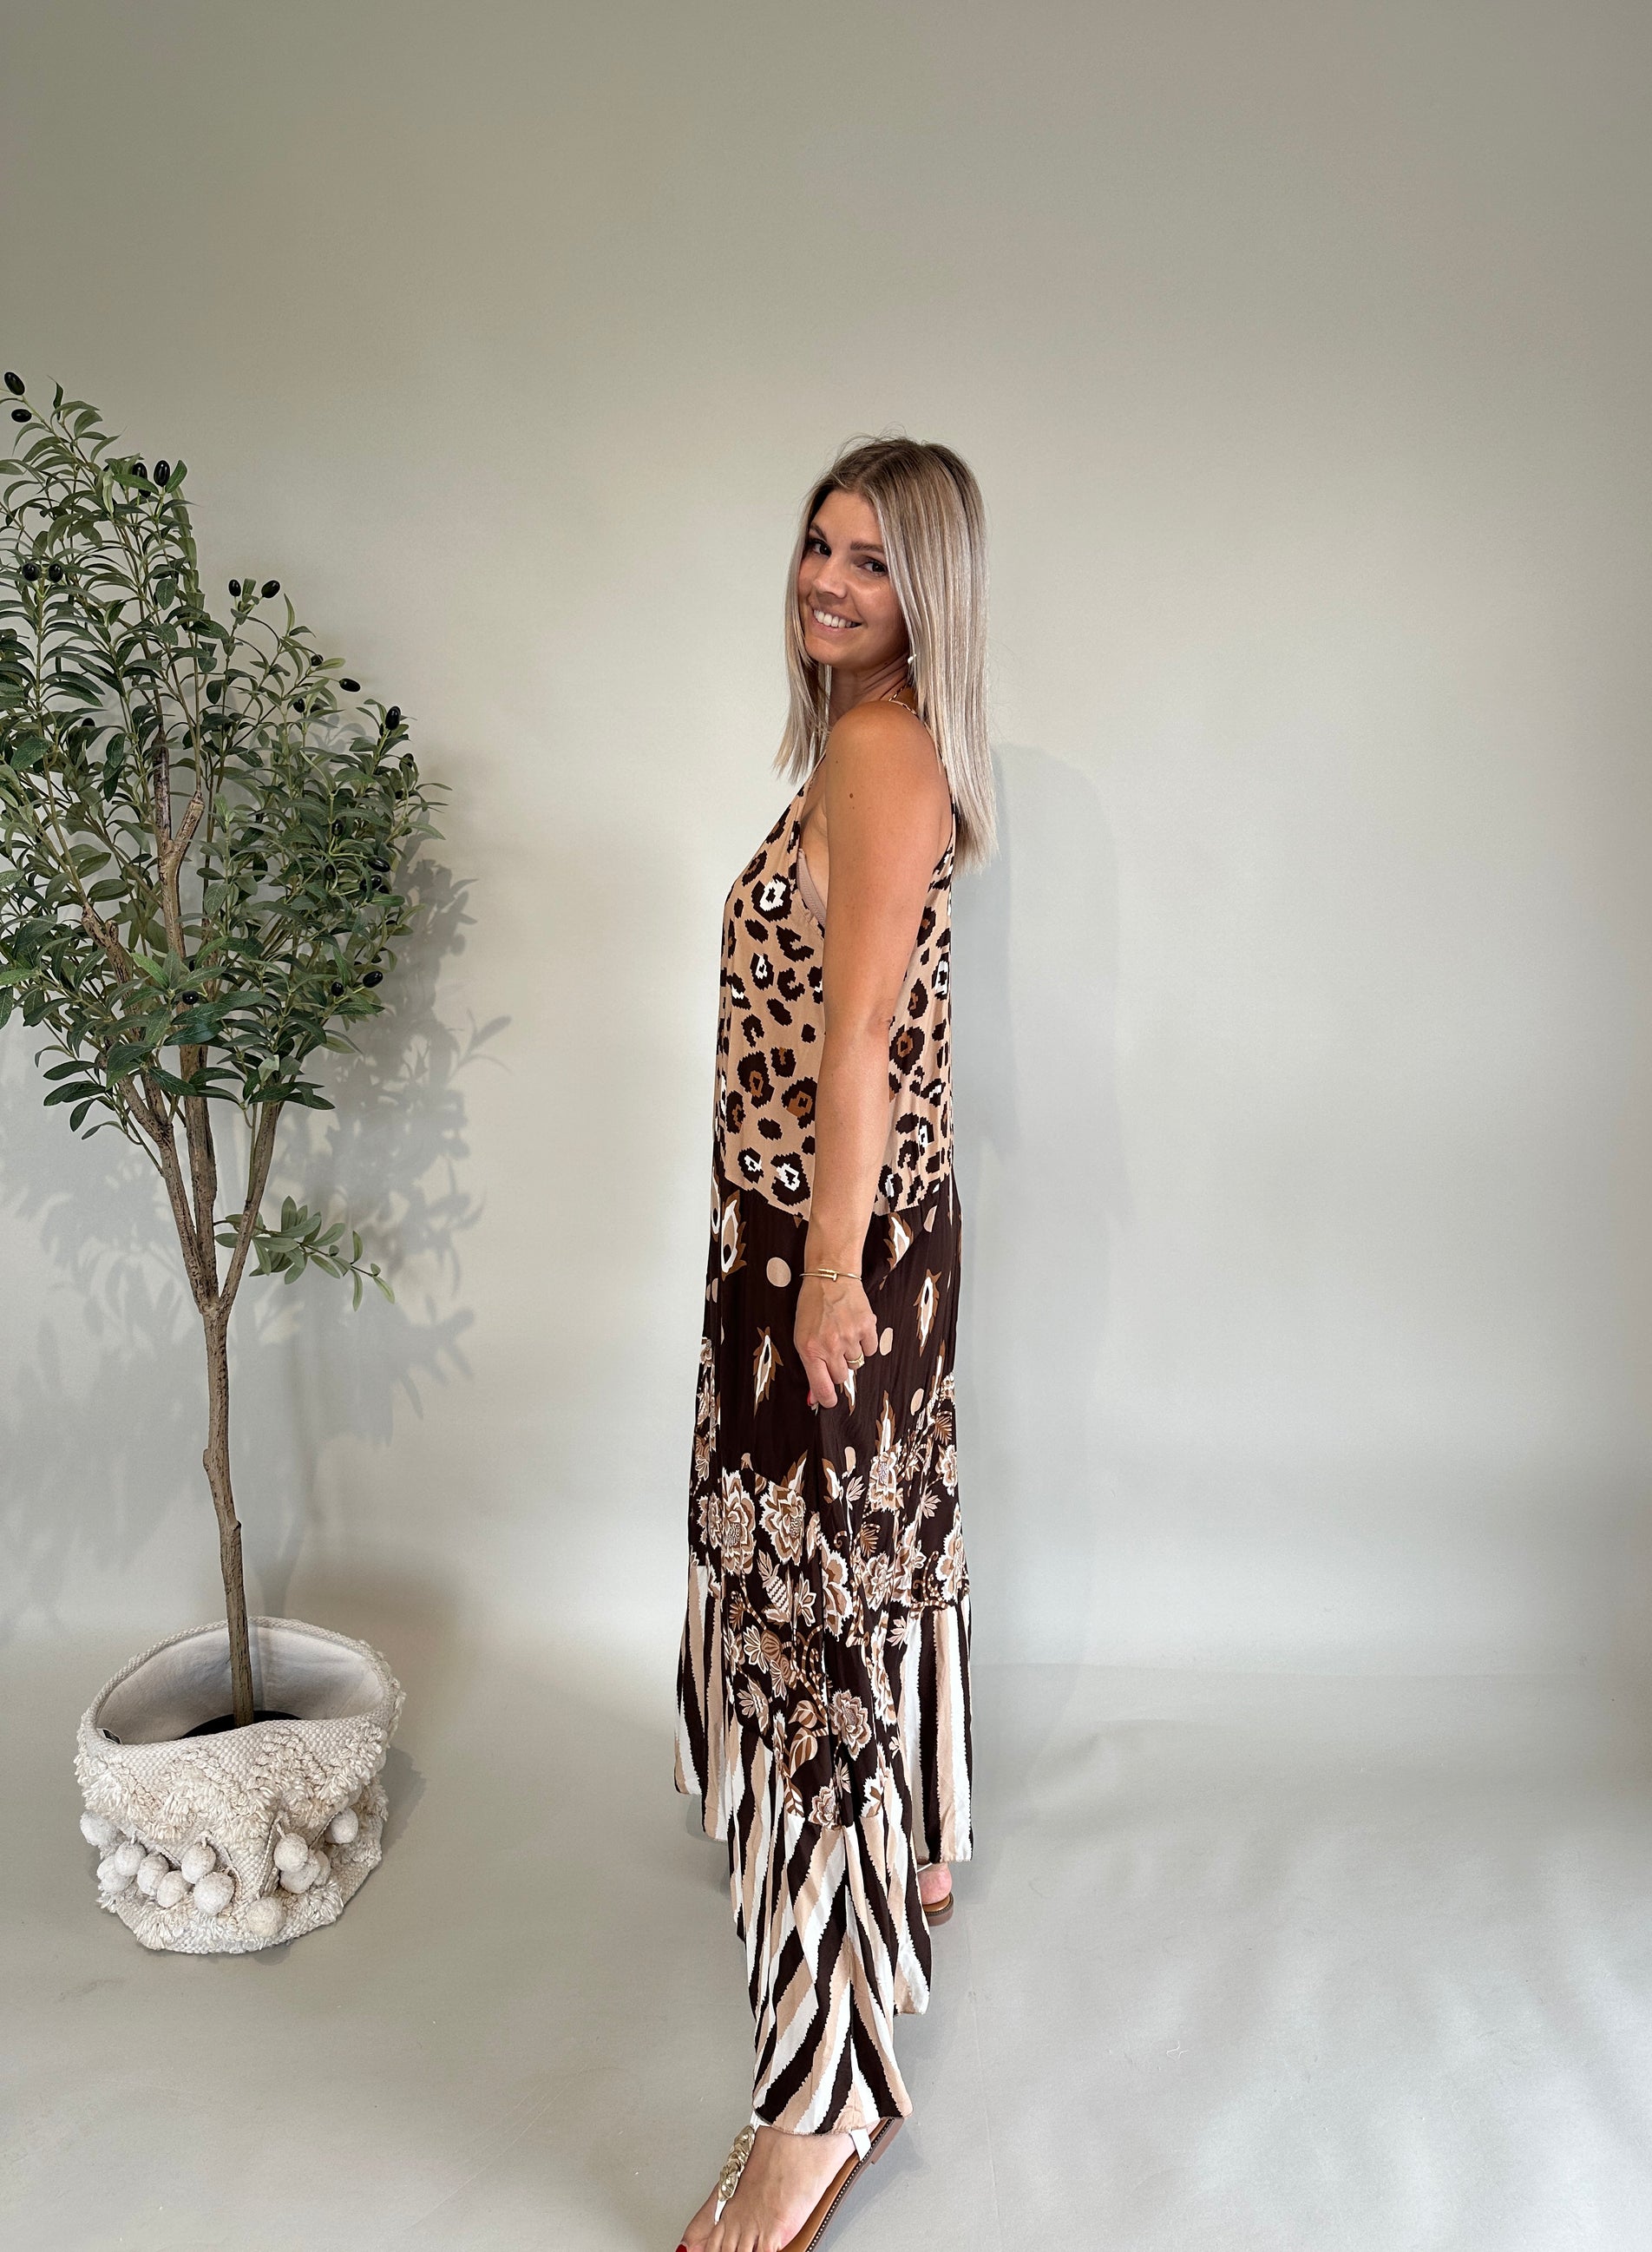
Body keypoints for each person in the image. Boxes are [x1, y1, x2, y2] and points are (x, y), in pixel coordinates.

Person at [672, 434, 996, 2251]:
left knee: (811, 1613)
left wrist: (817, 1275)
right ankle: (914, 1843)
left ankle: (821, 2090)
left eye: (869, 560)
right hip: (845, 1233)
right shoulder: (864, 743)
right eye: (817, 542)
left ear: (924, 593)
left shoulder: (881, 755)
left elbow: (859, 1038)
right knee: (870, 1558)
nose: (825, 578)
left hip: (833, 1249)